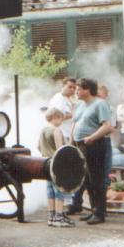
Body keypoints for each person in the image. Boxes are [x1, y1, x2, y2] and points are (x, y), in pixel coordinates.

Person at [69, 78, 114, 225]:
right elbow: (75, 122)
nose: (76, 92)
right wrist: (71, 140)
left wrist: (92, 137)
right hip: (80, 144)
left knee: (96, 179)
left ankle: (100, 212)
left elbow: (107, 126)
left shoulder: (100, 104)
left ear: (88, 90)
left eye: (79, 89)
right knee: (87, 179)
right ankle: (94, 209)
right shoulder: (80, 105)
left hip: (94, 144)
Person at [38, 108, 73, 227]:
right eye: (60, 119)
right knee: (59, 190)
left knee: (50, 190)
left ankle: (51, 216)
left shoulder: (43, 130)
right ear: (55, 117)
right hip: (56, 163)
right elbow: (60, 149)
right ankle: (59, 217)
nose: (61, 122)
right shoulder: (56, 130)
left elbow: (38, 146)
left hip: (45, 163)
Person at [48, 77, 77, 144]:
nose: (72, 89)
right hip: (62, 135)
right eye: (70, 87)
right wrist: (72, 114)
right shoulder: (59, 97)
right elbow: (55, 117)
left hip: (69, 134)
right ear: (63, 85)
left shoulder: (69, 98)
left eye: (74, 88)